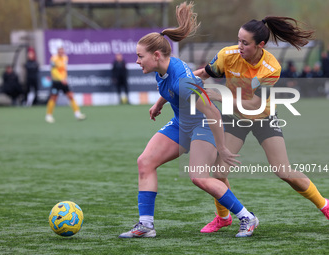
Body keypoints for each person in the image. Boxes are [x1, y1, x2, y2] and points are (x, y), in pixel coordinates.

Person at [119, 2, 259, 239]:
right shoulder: (161, 69)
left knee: (199, 177)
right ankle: (146, 225)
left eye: (139, 56)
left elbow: (213, 113)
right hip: (182, 124)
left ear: (156, 55)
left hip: (204, 123)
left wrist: (222, 149)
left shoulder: (184, 82)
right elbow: (168, 87)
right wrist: (159, 104)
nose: (137, 61)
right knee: (145, 162)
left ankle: (247, 217)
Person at [193, 16, 329, 233]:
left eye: (245, 43)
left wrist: (221, 97)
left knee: (283, 170)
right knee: (219, 172)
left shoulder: (270, 67)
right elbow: (205, 73)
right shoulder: (227, 55)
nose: (239, 46)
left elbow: (255, 104)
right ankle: (223, 218)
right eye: (238, 40)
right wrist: (184, 80)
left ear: (260, 45)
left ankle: (324, 204)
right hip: (235, 119)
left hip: (263, 116)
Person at [45, 47, 86, 123]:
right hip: (56, 82)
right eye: (60, 51)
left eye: (62, 51)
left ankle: (77, 114)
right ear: (57, 51)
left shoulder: (65, 58)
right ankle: (48, 116)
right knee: (53, 98)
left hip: (64, 82)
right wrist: (61, 79)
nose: (61, 52)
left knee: (70, 96)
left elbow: (64, 70)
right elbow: (53, 70)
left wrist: (65, 78)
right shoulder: (53, 58)